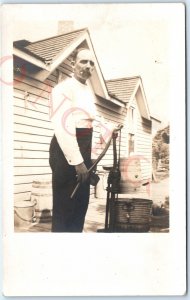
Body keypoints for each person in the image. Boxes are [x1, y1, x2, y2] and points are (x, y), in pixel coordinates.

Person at [49, 48, 100, 232]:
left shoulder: (88, 91)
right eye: (83, 61)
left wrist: (90, 157)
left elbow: (89, 125)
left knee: (80, 206)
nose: (87, 66)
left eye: (91, 63)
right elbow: (64, 127)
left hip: (83, 148)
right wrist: (78, 162)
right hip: (66, 151)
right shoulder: (62, 89)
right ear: (73, 63)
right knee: (65, 207)